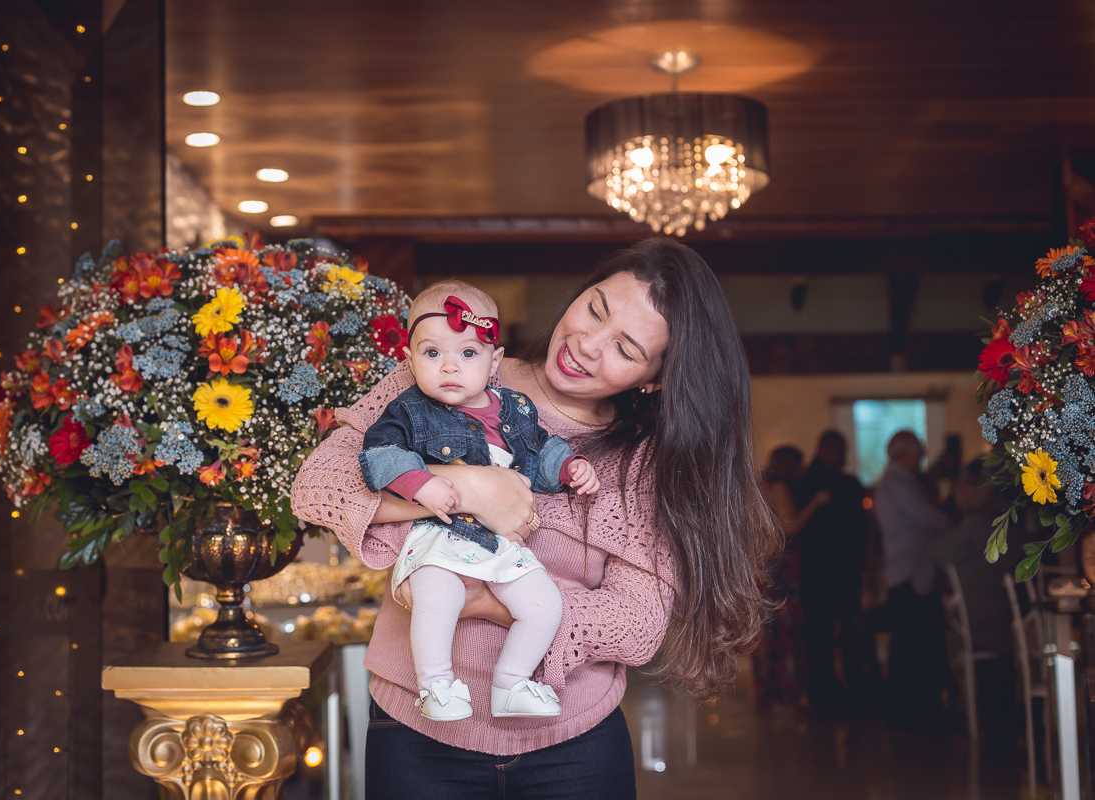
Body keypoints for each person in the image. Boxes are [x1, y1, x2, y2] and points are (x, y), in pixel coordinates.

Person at [290, 237, 779, 799]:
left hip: (573, 745)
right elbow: (318, 484)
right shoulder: (452, 365)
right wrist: (470, 489)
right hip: (415, 732)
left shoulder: (644, 463)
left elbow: (636, 624)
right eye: (595, 309)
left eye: (625, 348)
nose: (587, 344)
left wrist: (481, 601)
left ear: (656, 378)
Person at [358, 282, 600, 722]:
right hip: (440, 536)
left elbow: (542, 450)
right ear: (409, 361)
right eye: (432, 353)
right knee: (438, 597)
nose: (450, 366)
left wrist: (570, 467)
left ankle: (511, 683)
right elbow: (379, 454)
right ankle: (435, 686)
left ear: (494, 360)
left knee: (544, 605)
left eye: (468, 353)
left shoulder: (517, 409)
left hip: (501, 544)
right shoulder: (409, 410)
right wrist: (420, 483)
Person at [912, 459, 1022, 753]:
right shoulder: (1014, 539)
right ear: (992, 502)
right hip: (1014, 633)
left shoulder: (943, 544)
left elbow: (921, 586)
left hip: (967, 633)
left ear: (958, 504)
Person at [873, 429, 952, 731]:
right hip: (910, 573)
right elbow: (928, 517)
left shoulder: (900, 483)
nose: (921, 457)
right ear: (904, 454)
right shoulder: (898, 484)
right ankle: (915, 711)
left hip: (911, 572)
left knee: (913, 643)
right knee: (915, 643)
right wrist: (955, 524)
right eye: (918, 451)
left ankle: (913, 710)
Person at [794, 430, 868, 717]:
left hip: (815, 570)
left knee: (819, 634)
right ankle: (846, 689)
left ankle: (823, 690)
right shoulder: (842, 485)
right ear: (835, 450)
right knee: (842, 631)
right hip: (838, 570)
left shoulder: (805, 482)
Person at [753, 445, 829, 709]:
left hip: (764, 567)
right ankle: (784, 692)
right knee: (783, 628)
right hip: (780, 569)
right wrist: (816, 503)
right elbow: (790, 525)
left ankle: (768, 690)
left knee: (768, 629)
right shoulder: (778, 488)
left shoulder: (759, 487)